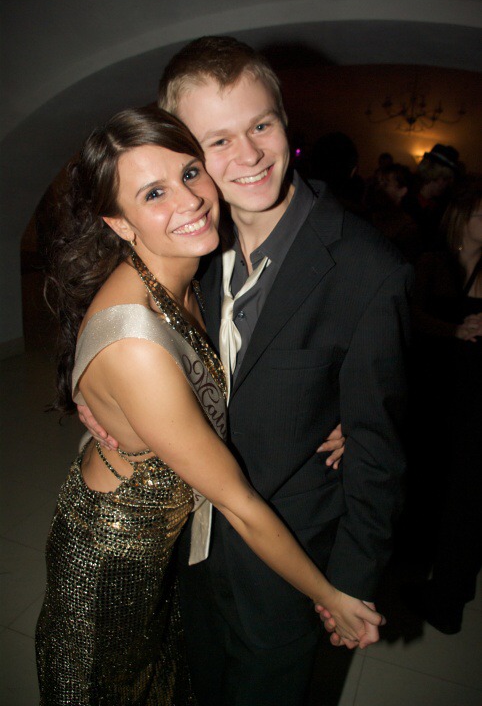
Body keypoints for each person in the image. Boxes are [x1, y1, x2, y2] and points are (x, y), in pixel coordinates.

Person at [81, 37, 412, 706]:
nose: (250, 155)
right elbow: (124, 324)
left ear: (285, 120)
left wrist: (349, 585)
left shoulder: (369, 270)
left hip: (289, 557)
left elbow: (380, 449)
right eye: (218, 141)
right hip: (184, 543)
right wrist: (98, 402)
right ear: (187, 153)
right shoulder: (193, 239)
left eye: (261, 125)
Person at [403, 185, 482, 634]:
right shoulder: (434, 262)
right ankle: (420, 562)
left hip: (470, 395)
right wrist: (454, 330)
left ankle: (447, 590)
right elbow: (410, 317)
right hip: (434, 388)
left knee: (463, 493)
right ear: (461, 218)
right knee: (429, 475)